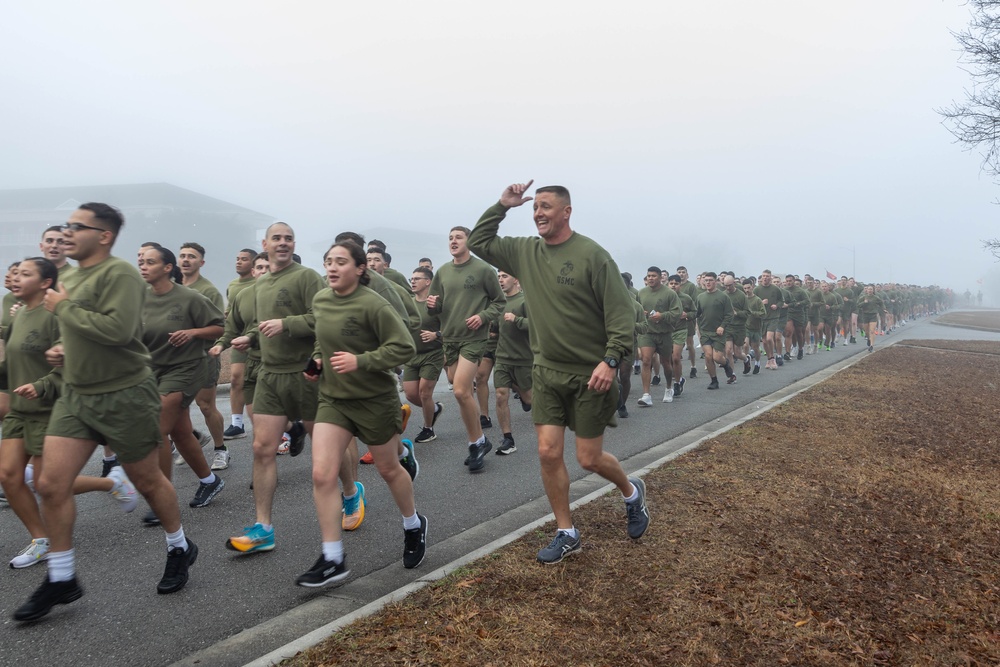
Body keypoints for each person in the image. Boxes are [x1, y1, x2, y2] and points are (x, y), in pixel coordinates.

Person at [14, 203, 196, 623]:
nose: (67, 233)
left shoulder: (120, 275)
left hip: (125, 395)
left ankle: (179, 546)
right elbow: (80, 330)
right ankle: (62, 578)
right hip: (76, 395)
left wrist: (62, 309)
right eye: (66, 226)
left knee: (148, 480)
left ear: (104, 236)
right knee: (51, 484)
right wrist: (63, 350)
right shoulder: (70, 276)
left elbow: (117, 331)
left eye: (78, 227)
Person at [468, 181, 648, 565]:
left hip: (590, 374)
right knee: (548, 452)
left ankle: (632, 492)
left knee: (588, 459)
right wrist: (502, 205)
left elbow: (620, 313)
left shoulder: (593, 256)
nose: (538, 213)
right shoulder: (524, 251)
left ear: (567, 211)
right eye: (535, 208)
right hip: (546, 372)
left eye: (546, 206)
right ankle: (566, 531)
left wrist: (612, 359)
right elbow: (480, 242)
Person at [296, 241, 424, 587]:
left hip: (373, 399)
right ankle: (333, 557)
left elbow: (404, 347)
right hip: (333, 400)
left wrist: (361, 361)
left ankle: (413, 524)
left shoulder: (374, 304)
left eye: (341, 262)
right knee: (322, 474)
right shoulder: (322, 300)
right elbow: (323, 339)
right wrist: (319, 359)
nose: (333, 267)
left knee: (387, 468)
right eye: (328, 262)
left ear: (359, 268)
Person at [0, 257, 139, 570]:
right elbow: (10, 367)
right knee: (8, 475)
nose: (14, 278)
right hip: (19, 411)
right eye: (14, 274)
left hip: (49, 410)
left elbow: (73, 362)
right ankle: (41, 540)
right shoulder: (18, 314)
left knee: (44, 482)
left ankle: (112, 483)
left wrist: (41, 385)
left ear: (46, 282)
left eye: (24, 274)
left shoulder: (55, 317)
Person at [225, 222, 326, 554]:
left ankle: (352, 493)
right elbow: (260, 325)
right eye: (276, 238)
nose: (282, 243)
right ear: (265, 244)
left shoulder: (307, 277)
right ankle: (263, 528)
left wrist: (287, 325)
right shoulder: (260, 283)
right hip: (270, 374)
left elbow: (324, 318)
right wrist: (250, 337)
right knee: (261, 448)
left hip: (306, 374)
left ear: (293, 243)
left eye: (288, 238)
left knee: (325, 450)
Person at [138, 246, 226, 509]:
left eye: (150, 262)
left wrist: (192, 333)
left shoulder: (190, 297)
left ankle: (162, 498)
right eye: (140, 261)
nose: (143, 266)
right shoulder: (139, 298)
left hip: (186, 368)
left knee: (157, 429)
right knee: (180, 432)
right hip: (154, 370)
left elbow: (220, 327)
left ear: (167, 268)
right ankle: (209, 481)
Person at [426, 226, 505, 473]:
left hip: (474, 337)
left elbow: (499, 302)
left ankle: (475, 443)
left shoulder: (483, 269)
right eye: (450, 237)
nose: (453, 241)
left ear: (469, 242)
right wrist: (431, 305)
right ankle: (480, 439)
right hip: (450, 337)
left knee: (460, 390)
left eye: (458, 237)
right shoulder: (442, 271)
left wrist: (483, 317)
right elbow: (434, 309)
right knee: (455, 384)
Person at [178, 243, 228, 467]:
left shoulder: (208, 291)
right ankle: (194, 438)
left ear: (201, 262)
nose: (186, 260)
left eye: (192, 256)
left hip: (203, 355)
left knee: (206, 406)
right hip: (176, 359)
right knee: (177, 406)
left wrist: (193, 333)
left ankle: (221, 449)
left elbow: (219, 326)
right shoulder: (171, 287)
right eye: (183, 256)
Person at [493, 270, 532, 455]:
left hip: (523, 359)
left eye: (505, 276)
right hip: (502, 357)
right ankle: (508, 439)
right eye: (499, 276)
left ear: (516, 279)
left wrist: (517, 320)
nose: (500, 280)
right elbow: (494, 327)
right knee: (501, 395)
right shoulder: (498, 303)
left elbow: (538, 325)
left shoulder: (526, 300)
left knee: (531, 399)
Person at [404, 266, 444, 444]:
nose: (412, 281)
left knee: (425, 392)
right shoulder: (408, 303)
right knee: (411, 395)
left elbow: (452, 326)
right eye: (411, 279)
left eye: (417, 278)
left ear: (428, 281)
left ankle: (429, 429)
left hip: (432, 353)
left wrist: (437, 335)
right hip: (412, 355)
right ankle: (434, 409)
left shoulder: (436, 303)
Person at [222, 248, 258, 443]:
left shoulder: (261, 283)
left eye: (243, 259)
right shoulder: (233, 285)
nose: (238, 262)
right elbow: (232, 312)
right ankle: (237, 423)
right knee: (236, 378)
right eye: (237, 259)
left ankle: (282, 427)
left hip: (260, 340)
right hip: (240, 339)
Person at [636, 266, 680, 406]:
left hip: (664, 333)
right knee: (646, 360)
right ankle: (646, 395)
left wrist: (662, 315)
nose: (650, 278)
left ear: (661, 278)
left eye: (654, 276)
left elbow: (677, 313)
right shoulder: (641, 293)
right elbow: (636, 309)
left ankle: (668, 388)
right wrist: (640, 314)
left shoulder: (669, 293)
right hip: (647, 332)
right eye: (649, 276)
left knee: (666, 363)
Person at [695, 272, 736, 389]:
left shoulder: (723, 297)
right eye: (706, 280)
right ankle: (714, 380)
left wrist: (722, 326)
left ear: (716, 282)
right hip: (705, 332)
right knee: (708, 356)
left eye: (710, 280)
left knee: (717, 357)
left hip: (719, 332)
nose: (707, 282)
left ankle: (726, 364)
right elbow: (697, 313)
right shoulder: (700, 297)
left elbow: (729, 314)